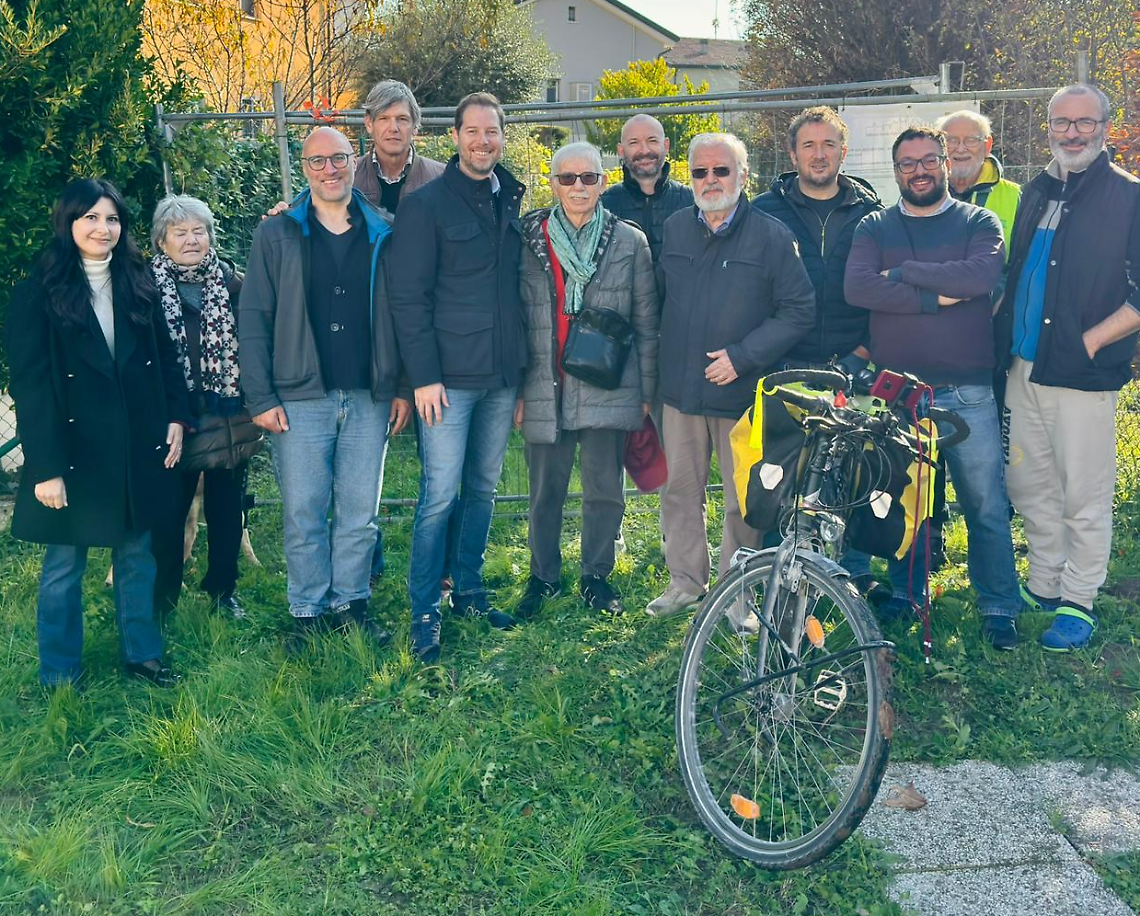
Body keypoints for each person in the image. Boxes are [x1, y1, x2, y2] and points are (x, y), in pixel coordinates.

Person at [844, 125, 1023, 649]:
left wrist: (902, 274)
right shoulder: (875, 226)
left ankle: (998, 605)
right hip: (898, 394)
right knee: (909, 505)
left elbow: (979, 278)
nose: (919, 170)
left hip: (967, 390)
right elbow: (858, 287)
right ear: (895, 171)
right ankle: (907, 595)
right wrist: (930, 296)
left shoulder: (979, 220)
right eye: (908, 164)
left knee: (985, 505)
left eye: (928, 160)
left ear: (945, 163)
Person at [6, 178, 190, 687]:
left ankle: (142, 653)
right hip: (72, 451)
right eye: (90, 217)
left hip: (136, 445)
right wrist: (45, 467)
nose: (102, 228)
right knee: (65, 568)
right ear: (68, 222)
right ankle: (60, 673)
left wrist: (176, 417)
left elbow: (167, 360)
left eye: (111, 218)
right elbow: (32, 386)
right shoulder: (37, 292)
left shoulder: (139, 280)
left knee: (138, 557)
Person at [239, 126, 410, 649]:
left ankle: (350, 603)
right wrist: (261, 397)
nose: (330, 170)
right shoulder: (278, 233)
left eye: (339, 159)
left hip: (367, 394)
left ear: (354, 162)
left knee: (360, 510)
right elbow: (254, 317)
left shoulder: (385, 227)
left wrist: (401, 384)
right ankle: (309, 610)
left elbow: (405, 315)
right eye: (317, 162)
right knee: (303, 509)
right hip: (299, 396)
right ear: (305, 168)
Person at [646, 132, 815, 618]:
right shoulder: (677, 228)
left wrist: (743, 356)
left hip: (741, 392)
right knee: (678, 491)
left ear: (744, 175)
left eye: (722, 170)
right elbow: (659, 300)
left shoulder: (772, 235)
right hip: (679, 391)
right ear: (689, 176)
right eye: (701, 171)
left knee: (744, 500)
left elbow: (799, 309)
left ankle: (737, 593)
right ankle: (685, 583)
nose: (711, 179)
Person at [997, 84, 1140, 652]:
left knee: (1083, 490)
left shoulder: (1127, 197)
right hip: (1022, 367)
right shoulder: (1037, 191)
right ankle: (1045, 579)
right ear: (1048, 127)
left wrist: (1092, 340)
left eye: (1085, 122)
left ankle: (1080, 598)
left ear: (1106, 126)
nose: (1073, 132)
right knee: (1028, 482)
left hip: (1080, 372)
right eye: (1063, 122)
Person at [388, 92, 526, 662]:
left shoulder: (511, 198)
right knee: (439, 495)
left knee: (483, 489)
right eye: (473, 132)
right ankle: (424, 609)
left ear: (501, 137)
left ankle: (467, 588)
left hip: (501, 375)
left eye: (492, 132)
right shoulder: (425, 205)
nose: (483, 142)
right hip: (445, 380)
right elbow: (407, 297)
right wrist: (423, 376)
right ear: (455, 138)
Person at [515, 141, 659, 619]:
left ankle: (597, 576)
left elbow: (646, 322)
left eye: (589, 178)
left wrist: (646, 392)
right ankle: (543, 577)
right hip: (544, 381)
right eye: (568, 178)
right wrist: (517, 388)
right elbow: (513, 316)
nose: (579, 187)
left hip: (608, 382)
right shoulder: (528, 237)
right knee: (545, 492)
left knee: (604, 490)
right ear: (553, 183)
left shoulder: (628, 240)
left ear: (603, 181)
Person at [147, 195, 255, 620]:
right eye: (180, 232)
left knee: (227, 508)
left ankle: (223, 590)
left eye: (199, 231)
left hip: (227, 412)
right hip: (171, 415)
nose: (192, 240)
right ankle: (164, 596)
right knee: (169, 512)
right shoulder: (144, 289)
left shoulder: (233, 284)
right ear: (161, 241)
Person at [600, 114, 694, 263]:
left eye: (652, 140)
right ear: (620, 150)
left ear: (666, 145)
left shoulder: (691, 201)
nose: (644, 150)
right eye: (634, 142)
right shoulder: (604, 207)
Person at [936, 109, 1021, 251]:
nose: (961, 148)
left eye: (971, 140)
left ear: (987, 146)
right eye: (951, 140)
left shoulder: (1017, 196)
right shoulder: (923, 194)